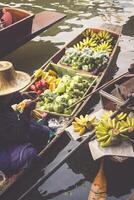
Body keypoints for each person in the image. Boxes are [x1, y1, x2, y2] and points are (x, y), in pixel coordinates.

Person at [0, 61, 50, 174]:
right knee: (29, 154)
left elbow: (15, 98)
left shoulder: (7, 97)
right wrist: (27, 111)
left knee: (43, 132)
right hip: (3, 146)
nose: (12, 93)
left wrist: (24, 98)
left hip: (9, 133)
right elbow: (17, 135)